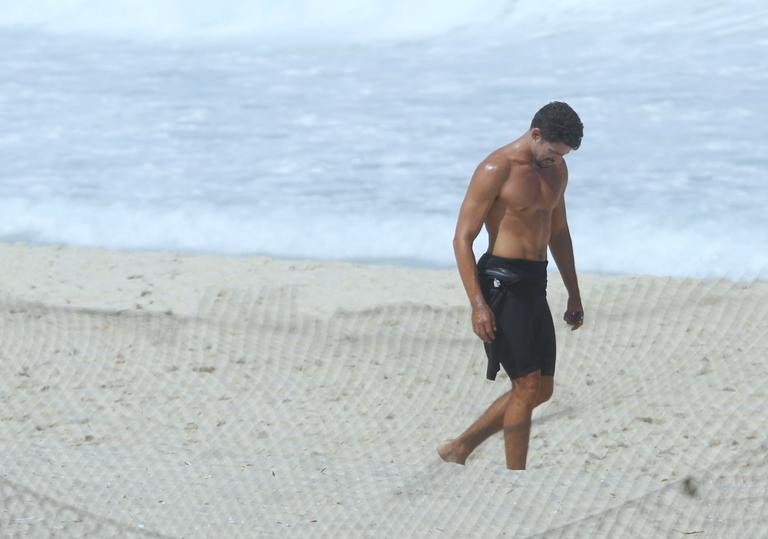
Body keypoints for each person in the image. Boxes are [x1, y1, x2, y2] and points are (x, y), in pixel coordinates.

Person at [437, 101, 584, 470]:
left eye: (563, 155)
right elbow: (461, 238)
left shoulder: (557, 170)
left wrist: (574, 293)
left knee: (542, 387)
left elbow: (559, 232)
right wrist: (477, 304)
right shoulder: (495, 168)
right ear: (535, 135)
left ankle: (460, 447)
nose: (556, 160)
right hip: (501, 283)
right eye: (552, 152)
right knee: (526, 384)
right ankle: (516, 478)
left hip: (536, 284)